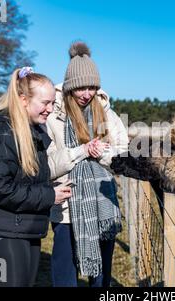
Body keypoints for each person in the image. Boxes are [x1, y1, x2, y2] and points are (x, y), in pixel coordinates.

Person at [0, 67, 72, 287]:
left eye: (53, 103)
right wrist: (49, 196)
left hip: (22, 226)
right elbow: (1, 189)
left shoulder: (33, 132)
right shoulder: (2, 134)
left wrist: (51, 186)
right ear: (23, 100)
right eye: (45, 103)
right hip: (1, 232)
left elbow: (24, 178)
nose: (50, 109)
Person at [46, 41, 129, 287]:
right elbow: (47, 165)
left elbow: (122, 155)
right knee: (65, 272)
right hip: (65, 206)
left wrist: (100, 153)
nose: (86, 94)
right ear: (70, 87)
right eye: (81, 87)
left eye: (92, 87)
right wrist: (82, 151)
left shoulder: (108, 115)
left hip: (103, 203)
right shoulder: (54, 117)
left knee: (101, 274)